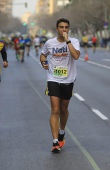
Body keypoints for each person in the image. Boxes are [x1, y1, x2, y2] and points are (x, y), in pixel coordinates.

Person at [40, 18, 80, 153]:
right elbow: (43, 55)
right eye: (61, 27)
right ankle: (55, 141)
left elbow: (76, 56)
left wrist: (67, 41)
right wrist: (43, 63)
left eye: (66, 27)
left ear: (68, 29)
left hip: (68, 79)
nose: (64, 29)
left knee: (64, 109)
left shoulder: (74, 42)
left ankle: (62, 131)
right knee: (55, 110)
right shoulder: (49, 43)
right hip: (53, 78)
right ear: (57, 28)